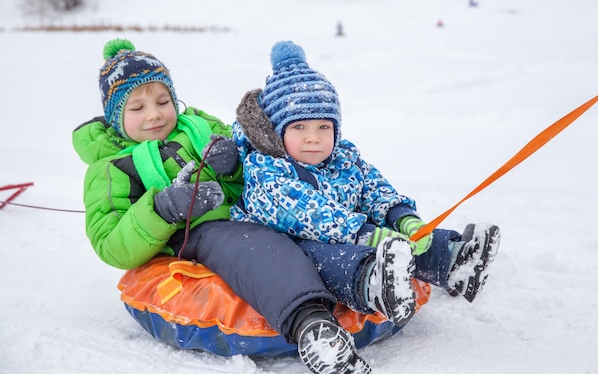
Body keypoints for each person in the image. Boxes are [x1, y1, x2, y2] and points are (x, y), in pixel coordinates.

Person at [73, 38, 413, 374]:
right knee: (260, 249)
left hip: (247, 210)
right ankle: (312, 326)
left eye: (163, 101)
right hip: (197, 234)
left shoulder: (199, 126)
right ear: (115, 115)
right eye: (137, 108)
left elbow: (246, 156)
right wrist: (161, 209)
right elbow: (110, 244)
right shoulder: (111, 169)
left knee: (305, 235)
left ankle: (369, 280)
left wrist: (233, 161)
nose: (154, 115)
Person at [231, 40, 501, 324]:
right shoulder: (265, 167)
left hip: (352, 230)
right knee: (317, 254)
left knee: (401, 239)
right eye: (299, 127)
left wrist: (401, 217)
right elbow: (305, 213)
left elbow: (372, 187)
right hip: (292, 243)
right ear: (277, 132)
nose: (313, 137)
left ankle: (455, 262)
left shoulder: (343, 157)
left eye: (324, 127)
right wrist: (364, 234)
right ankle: (375, 285)